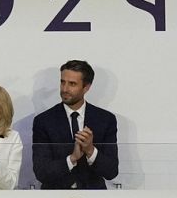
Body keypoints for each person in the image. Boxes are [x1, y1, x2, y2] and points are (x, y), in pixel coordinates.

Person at [32, 60, 118, 189]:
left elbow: (111, 171)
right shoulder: (44, 121)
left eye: (72, 84)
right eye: (62, 82)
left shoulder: (105, 120)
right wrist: (72, 159)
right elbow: (41, 172)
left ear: (86, 87)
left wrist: (90, 151)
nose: (65, 89)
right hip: (55, 197)